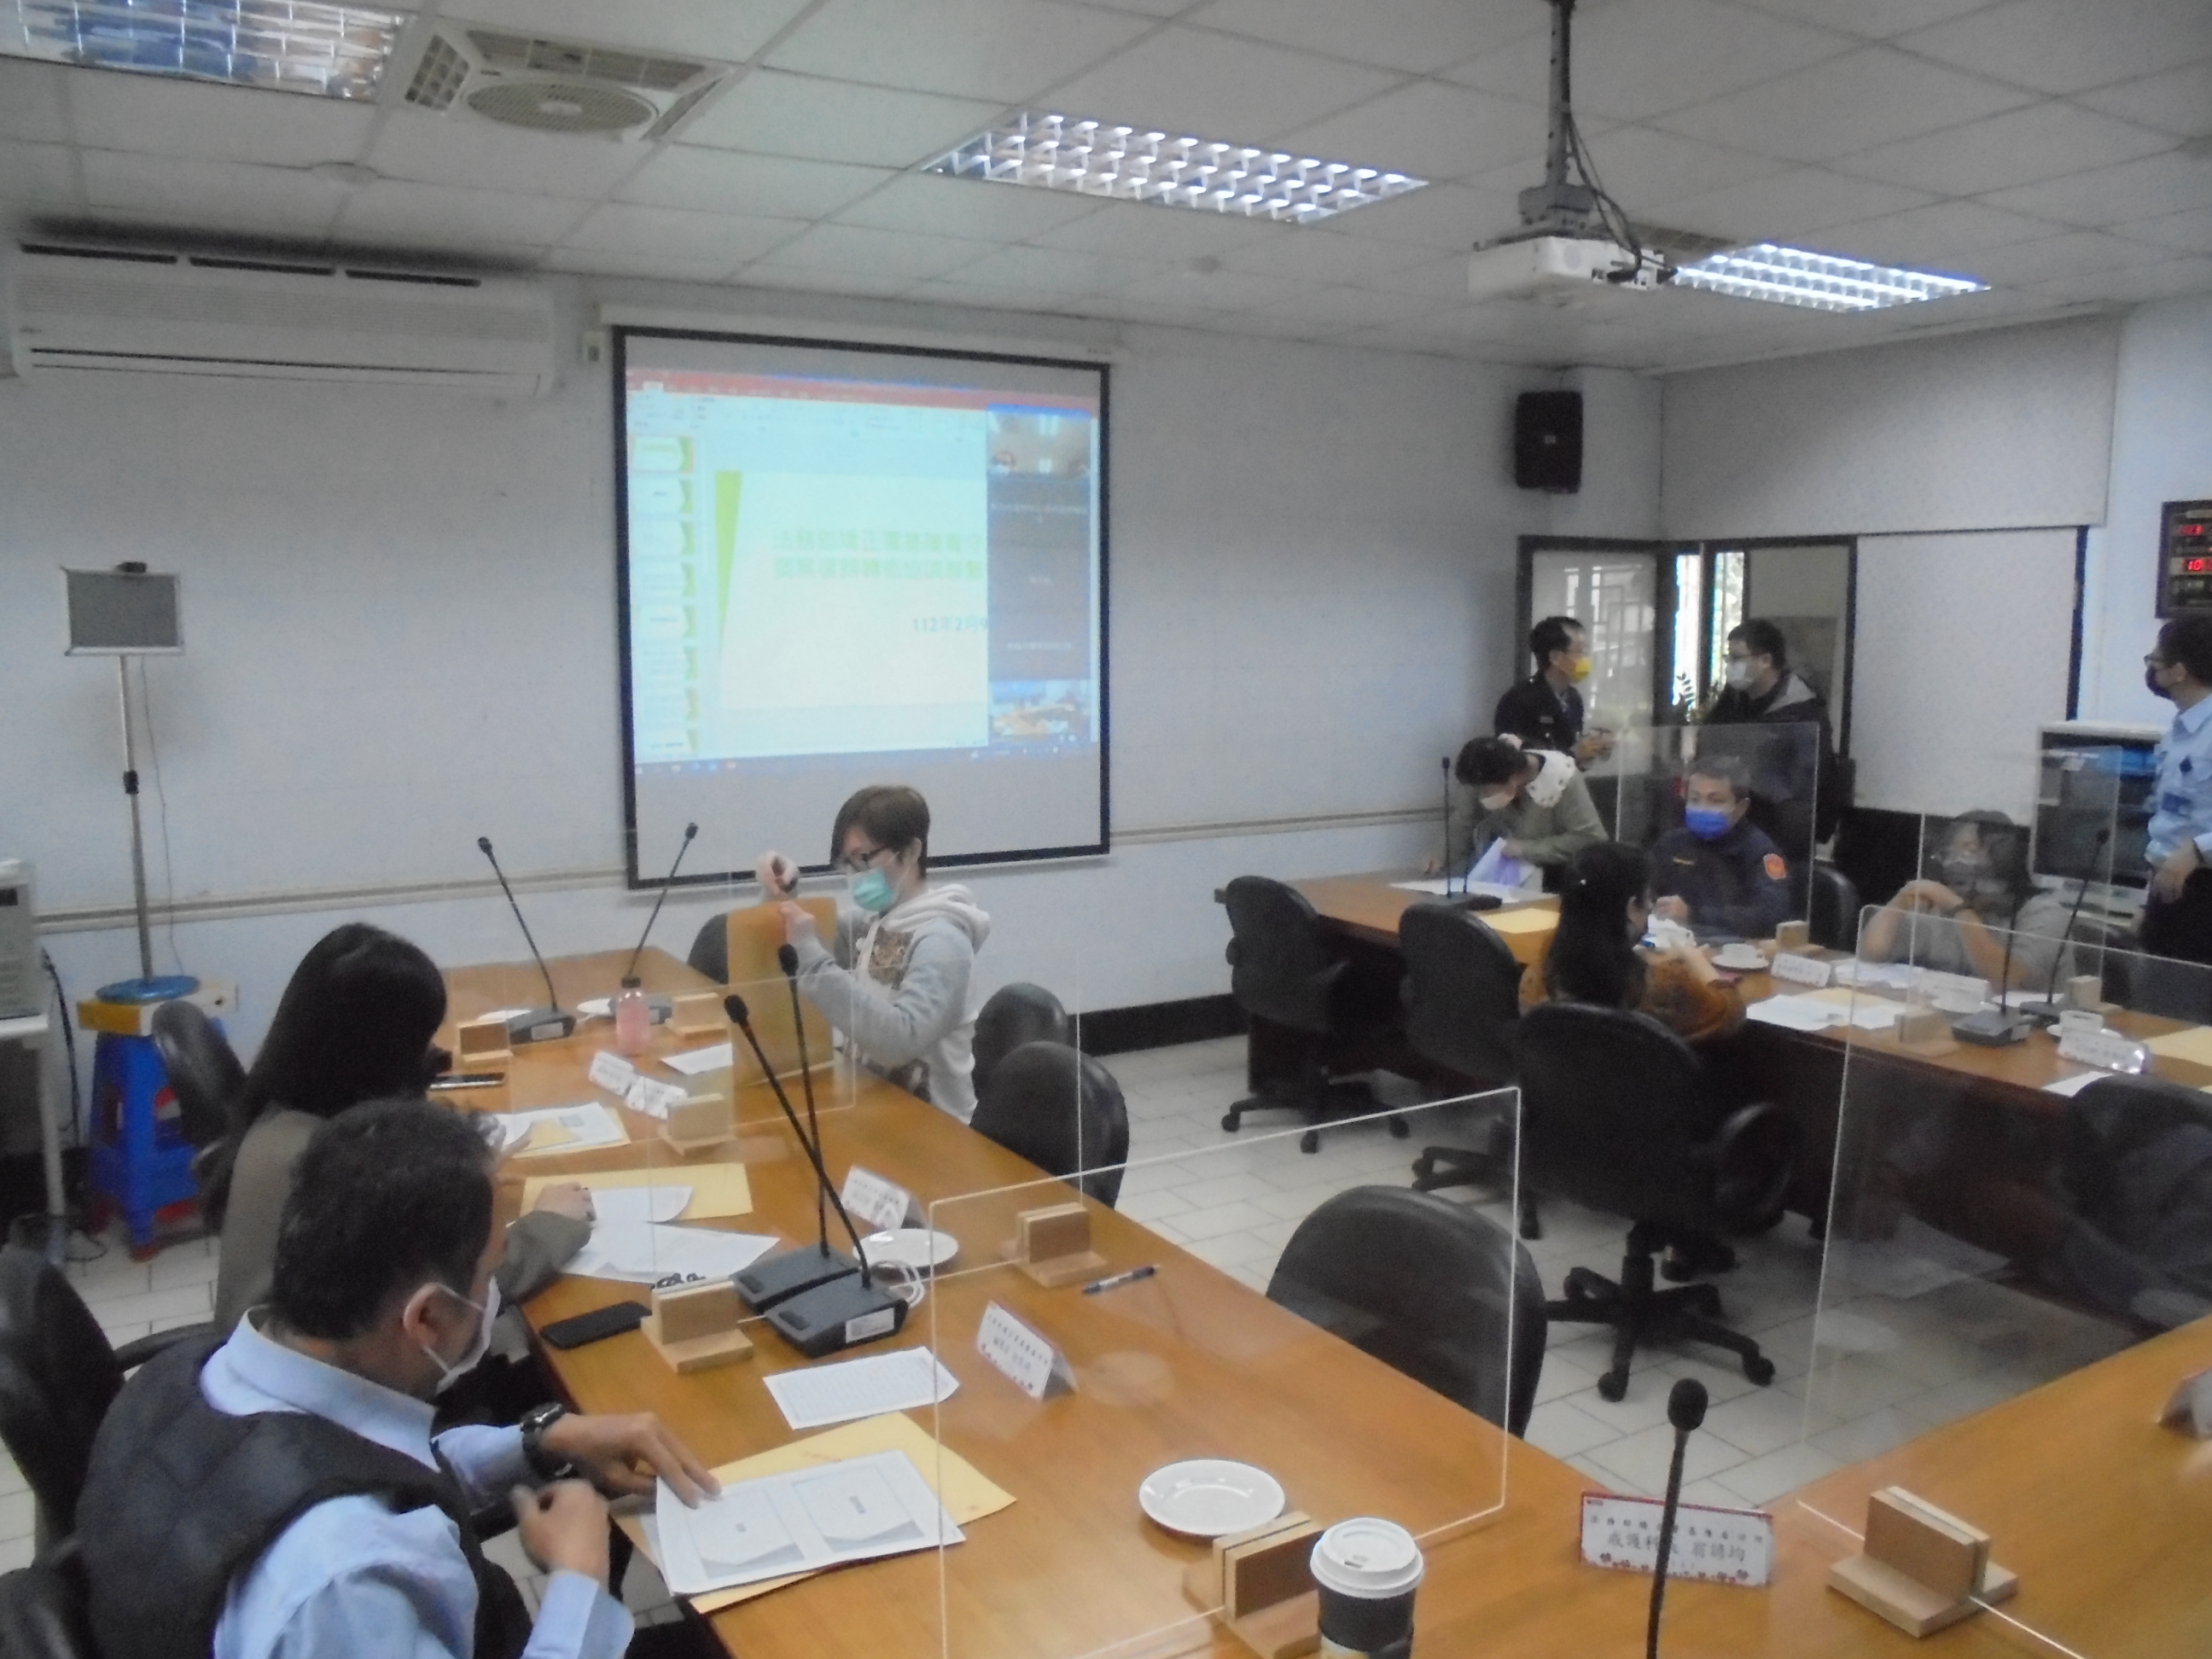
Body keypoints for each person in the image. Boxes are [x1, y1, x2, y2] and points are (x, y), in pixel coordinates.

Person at [79, 1097, 719, 1659]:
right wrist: (579, 1582)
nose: (493, 1292)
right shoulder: (344, 1582)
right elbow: (349, 1514)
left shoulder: (193, 1377)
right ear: (428, 1318)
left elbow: (360, 1460)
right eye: (489, 1273)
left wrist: (536, 1444)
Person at [207, 923, 591, 1338]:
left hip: (272, 1354)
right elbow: (459, 1289)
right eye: (420, 1040)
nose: (430, 1054)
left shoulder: (284, 1112)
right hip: (327, 1366)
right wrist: (554, 1223)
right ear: (381, 1049)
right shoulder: (343, 1163)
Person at [759, 785, 992, 1122]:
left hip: (936, 1126)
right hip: (876, 1104)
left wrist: (809, 954)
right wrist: (783, 893)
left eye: (864, 858)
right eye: (847, 862)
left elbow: (900, 1041)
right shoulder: (871, 923)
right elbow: (800, 949)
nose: (855, 875)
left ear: (910, 851)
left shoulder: (942, 941)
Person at [1521, 841, 1746, 1045]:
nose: (1649, 907)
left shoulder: (1542, 971)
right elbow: (1730, 1013)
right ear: (1631, 908)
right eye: (1647, 898)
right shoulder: (1664, 987)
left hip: (1562, 1077)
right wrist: (1697, 960)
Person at [1860, 812, 2072, 989]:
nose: (1957, 861)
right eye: (1953, 851)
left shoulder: (2045, 914)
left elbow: (2010, 979)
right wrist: (1898, 904)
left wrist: (1960, 910)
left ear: (2005, 859)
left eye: (1970, 851)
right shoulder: (1937, 905)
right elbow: (1872, 954)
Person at [1701, 618, 1842, 853]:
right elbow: (1709, 745)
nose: (1729, 666)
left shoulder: (1803, 712)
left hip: (1779, 829)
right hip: (1729, 820)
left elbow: (1807, 782)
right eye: (1728, 658)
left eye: (1737, 658)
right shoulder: (1731, 703)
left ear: (1766, 660)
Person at [1650, 755, 1794, 940]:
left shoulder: (1760, 851)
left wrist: (1693, 914)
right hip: (1670, 943)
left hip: (1737, 949)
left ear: (1741, 808)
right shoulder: (1672, 843)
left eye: (1716, 801)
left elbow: (1771, 913)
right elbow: (1645, 893)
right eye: (1695, 799)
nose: (1703, 808)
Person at [2141, 615, 2212, 967]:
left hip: (2203, 890)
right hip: (2168, 886)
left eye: (2155, 659)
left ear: (2179, 671)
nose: (2151, 668)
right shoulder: (2181, 729)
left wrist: (2197, 851)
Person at [1441, 735, 1604, 882]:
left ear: (1512, 779)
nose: (1481, 794)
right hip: (1501, 883)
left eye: (1485, 790)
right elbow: (1463, 822)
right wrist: (1442, 858)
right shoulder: (1487, 772)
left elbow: (1591, 838)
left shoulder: (1562, 780)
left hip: (1556, 881)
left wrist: (1526, 849)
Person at [1493, 614, 1614, 765]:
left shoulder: (1573, 698)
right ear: (1555, 658)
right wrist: (1573, 754)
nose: (1586, 660)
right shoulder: (1519, 699)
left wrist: (1592, 749)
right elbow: (1514, 762)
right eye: (1581, 652)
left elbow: (1573, 754)